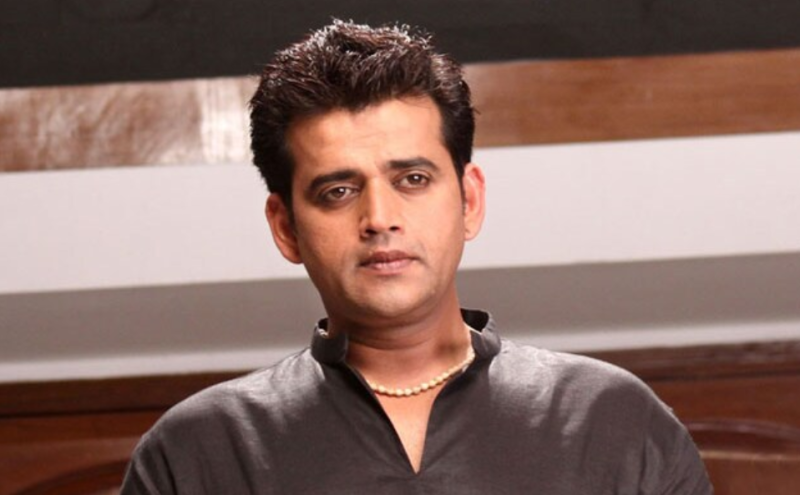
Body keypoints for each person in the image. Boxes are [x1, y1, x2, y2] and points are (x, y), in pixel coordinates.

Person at [121, 20, 713, 494]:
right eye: (338, 191)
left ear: (469, 200)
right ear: (286, 228)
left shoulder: (610, 422)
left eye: (412, 179)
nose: (380, 218)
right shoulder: (201, 452)